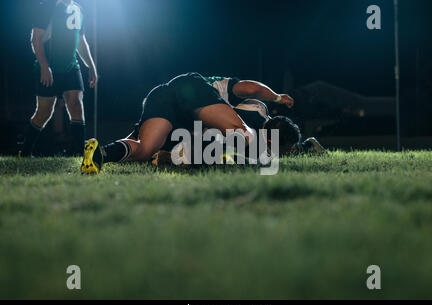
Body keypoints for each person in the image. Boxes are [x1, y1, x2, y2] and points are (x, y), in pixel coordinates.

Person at [81, 72, 297, 174]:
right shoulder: (235, 97)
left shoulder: (239, 107)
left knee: (144, 149)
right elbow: (251, 90)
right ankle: (264, 159)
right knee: (240, 131)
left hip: (161, 96)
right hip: (191, 90)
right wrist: (277, 97)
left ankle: (102, 153)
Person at [20, 0, 98, 157]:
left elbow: (81, 41)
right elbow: (36, 39)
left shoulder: (79, 9)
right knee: (44, 112)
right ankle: (26, 151)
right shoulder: (46, 6)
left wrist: (91, 66)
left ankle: (78, 153)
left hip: (71, 66)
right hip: (49, 66)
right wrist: (44, 66)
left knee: (76, 104)